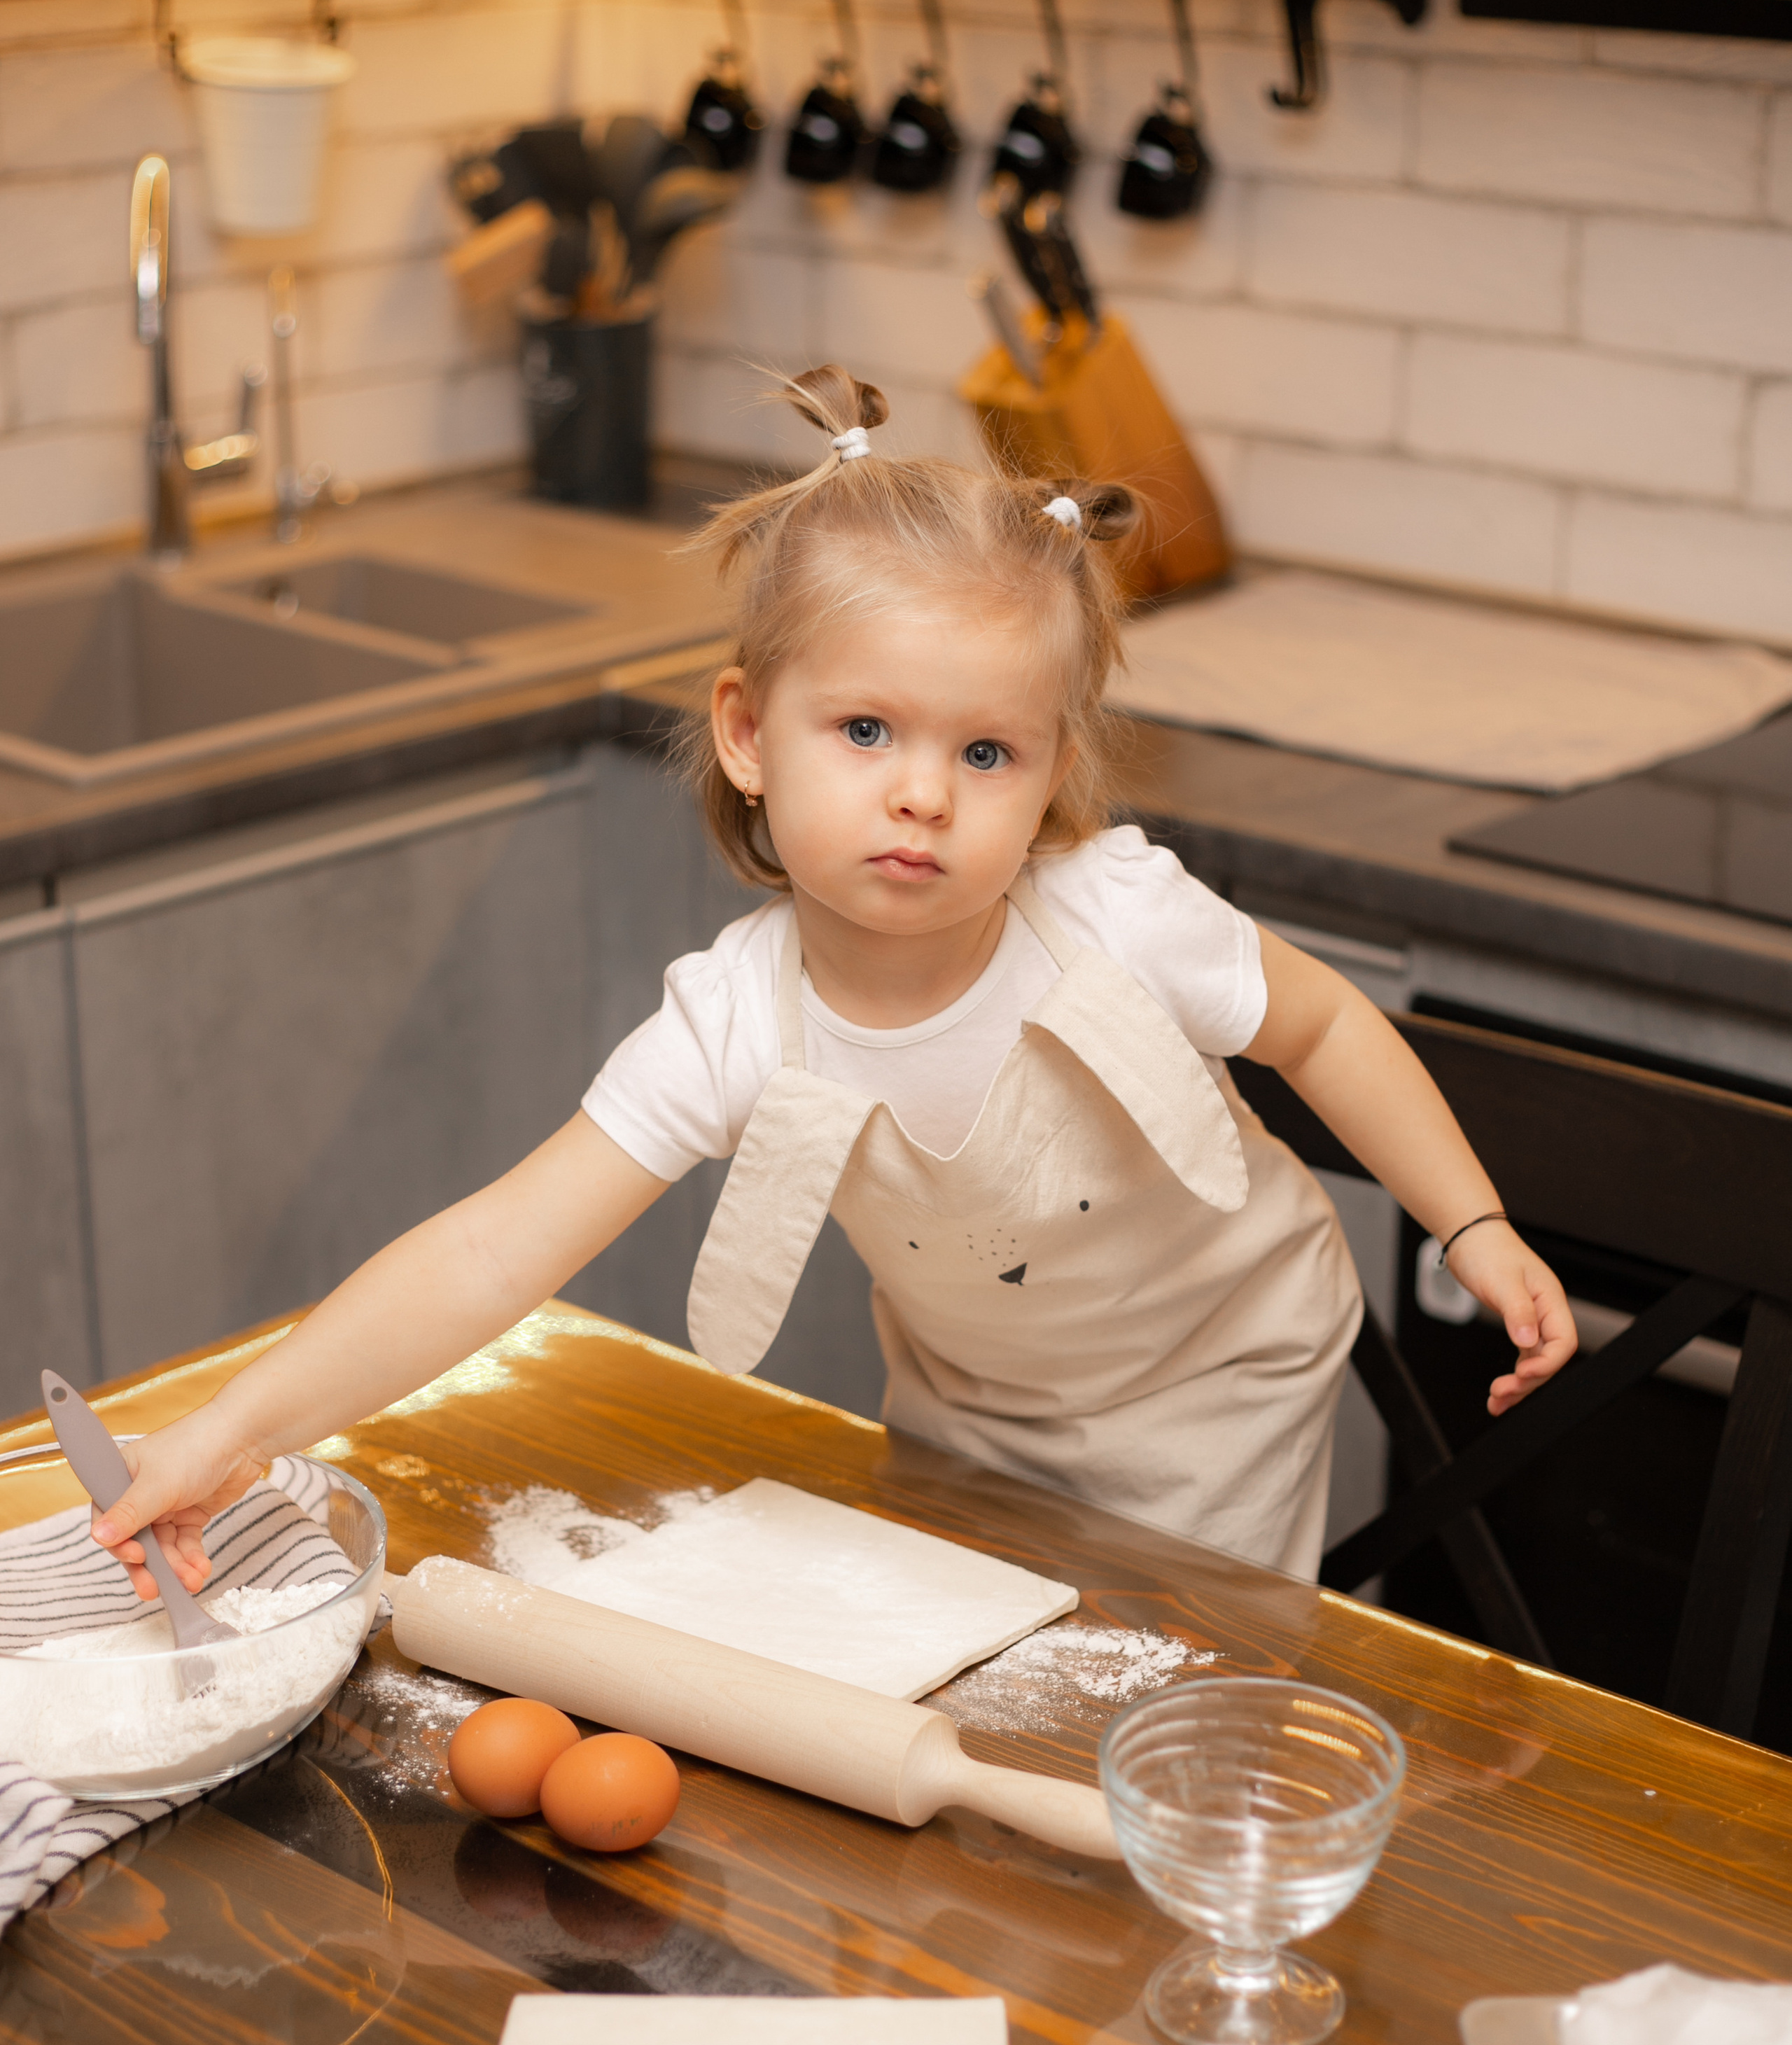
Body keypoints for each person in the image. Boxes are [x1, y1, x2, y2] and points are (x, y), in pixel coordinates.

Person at [91, 367, 1575, 1600]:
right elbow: (491, 1253)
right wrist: (232, 1432)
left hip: (1217, 1384)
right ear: (747, 731)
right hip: (969, 1411)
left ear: (1052, 769)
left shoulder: (1115, 919)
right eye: (865, 729)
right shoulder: (740, 1016)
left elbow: (1317, 1024)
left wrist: (1471, 1221)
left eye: (984, 752)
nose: (922, 794)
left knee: (1153, 1690)